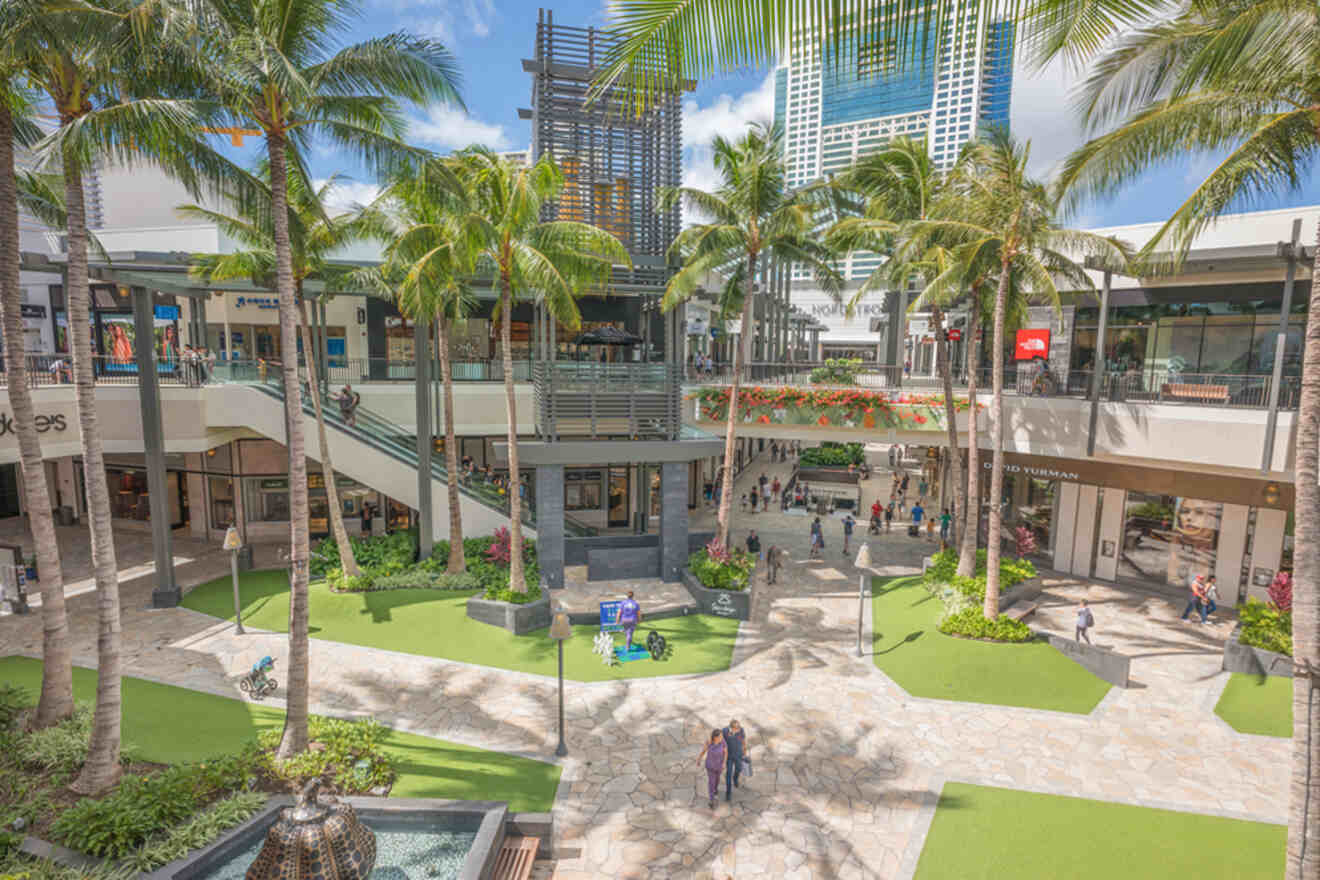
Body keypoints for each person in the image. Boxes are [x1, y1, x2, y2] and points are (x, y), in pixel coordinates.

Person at [699, 729, 727, 810]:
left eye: (722, 736)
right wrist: (699, 759)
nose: (722, 737)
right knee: (711, 782)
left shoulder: (723, 742)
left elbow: (726, 753)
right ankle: (711, 800)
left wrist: (724, 763)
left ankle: (715, 790)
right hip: (710, 766)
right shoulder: (709, 742)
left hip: (719, 766)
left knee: (717, 780)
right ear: (715, 737)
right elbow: (703, 751)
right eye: (720, 736)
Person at [721, 719, 748, 802]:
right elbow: (721, 743)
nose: (739, 728)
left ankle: (735, 778)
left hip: (738, 755)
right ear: (731, 728)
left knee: (739, 769)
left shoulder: (741, 730)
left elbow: (743, 742)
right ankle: (728, 793)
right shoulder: (725, 731)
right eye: (737, 727)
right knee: (728, 774)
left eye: (739, 726)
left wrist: (744, 753)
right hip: (729, 757)